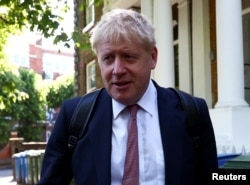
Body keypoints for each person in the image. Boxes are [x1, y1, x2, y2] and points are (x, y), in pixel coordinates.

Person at [38, 8, 218, 185]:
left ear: (153, 57)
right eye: (108, 58)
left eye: (128, 57)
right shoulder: (74, 116)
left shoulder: (192, 113)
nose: (117, 70)